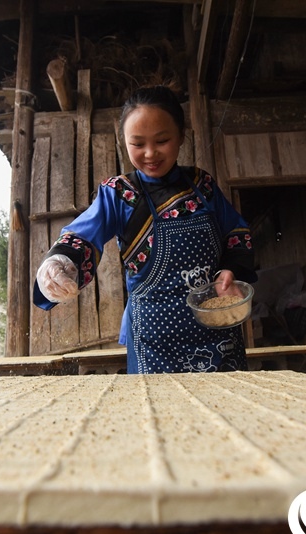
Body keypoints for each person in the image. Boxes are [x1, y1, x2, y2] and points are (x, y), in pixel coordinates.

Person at [34, 85, 256, 373]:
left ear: (180, 137)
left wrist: (231, 272)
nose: (150, 153)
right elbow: (82, 236)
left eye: (162, 140)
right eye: (138, 144)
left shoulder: (203, 186)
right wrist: (58, 264)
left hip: (218, 333)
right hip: (155, 342)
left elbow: (237, 235)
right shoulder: (117, 194)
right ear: (124, 142)